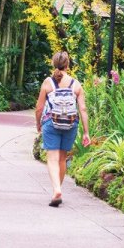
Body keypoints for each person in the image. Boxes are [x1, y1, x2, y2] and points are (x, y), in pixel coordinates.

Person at [35, 51, 91, 207]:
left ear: (54, 64)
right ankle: (57, 190)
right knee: (62, 158)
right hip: (70, 125)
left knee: (52, 158)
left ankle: (56, 190)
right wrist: (86, 132)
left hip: (51, 123)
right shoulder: (76, 84)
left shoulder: (48, 82)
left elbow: (39, 108)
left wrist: (38, 123)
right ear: (68, 65)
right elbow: (83, 109)